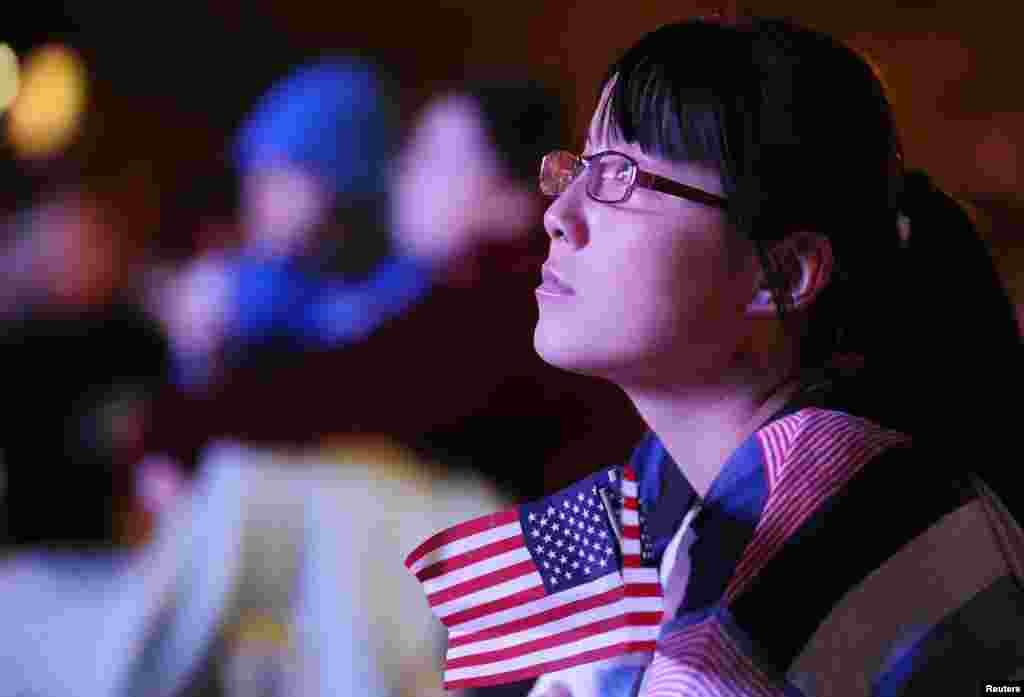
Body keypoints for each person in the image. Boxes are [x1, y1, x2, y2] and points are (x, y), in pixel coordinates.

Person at [413, 16, 1023, 697]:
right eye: (581, 164)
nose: (559, 212)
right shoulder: (671, 464)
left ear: (782, 274)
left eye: (622, 176)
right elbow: (482, 621)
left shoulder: (802, 532)